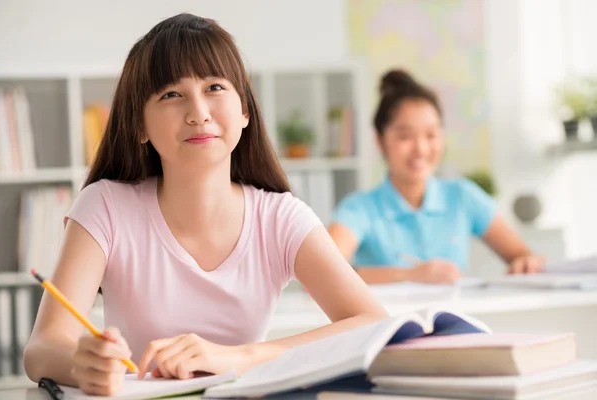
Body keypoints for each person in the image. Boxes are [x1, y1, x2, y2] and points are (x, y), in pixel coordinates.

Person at [23, 14, 387, 396]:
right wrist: (82, 364)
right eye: (171, 95)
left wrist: (241, 357)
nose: (198, 112)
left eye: (214, 86)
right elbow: (41, 349)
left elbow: (372, 322)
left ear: (245, 111)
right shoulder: (105, 206)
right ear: (139, 126)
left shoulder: (280, 217)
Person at [328, 69, 544, 285]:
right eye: (405, 136)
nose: (421, 149)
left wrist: (525, 262)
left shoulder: (461, 196)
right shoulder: (359, 209)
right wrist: (409, 276)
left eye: (431, 135)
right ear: (380, 140)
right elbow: (325, 272)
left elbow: (521, 254)